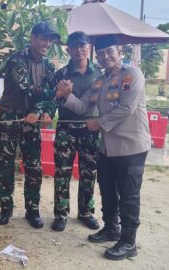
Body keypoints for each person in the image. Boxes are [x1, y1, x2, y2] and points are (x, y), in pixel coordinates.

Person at [83, 35, 151, 260]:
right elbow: (85, 105)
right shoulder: (101, 80)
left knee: (129, 196)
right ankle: (112, 228)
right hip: (108, 148)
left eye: (109, 52)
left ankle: (129, 242)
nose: (104, 57)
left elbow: (127, 107)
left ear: (119, 50)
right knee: (108, 190)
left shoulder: (132, 75)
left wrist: (99, 123)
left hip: (131, 147)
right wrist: (66, 96)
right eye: (100, 54)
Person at [0, 21, 59, 229]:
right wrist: (52, 96)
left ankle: (32, 210)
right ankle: (6, 209)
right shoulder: (17, 60)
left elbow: (50, 96)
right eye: (43, 38)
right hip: (11, 117)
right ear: (32, 38)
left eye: (49, 40)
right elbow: (30, 90)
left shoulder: (49, 65)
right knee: (6, 166)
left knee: (33, 166)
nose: (47, 43)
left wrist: (44, 110)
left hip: (32, 121)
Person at [51, 31, 102, 232]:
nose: (79, 49)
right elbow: (52, 100)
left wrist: (68, 95)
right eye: (75, 46)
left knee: (89, 172)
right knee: (62, 172)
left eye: (83, 45)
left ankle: (86, 212)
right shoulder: (60, 75)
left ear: (89, 47)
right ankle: (60, 213)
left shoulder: (99, 73)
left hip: (90, 129)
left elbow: (92, 106)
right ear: (68, 50)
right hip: (66, 129)